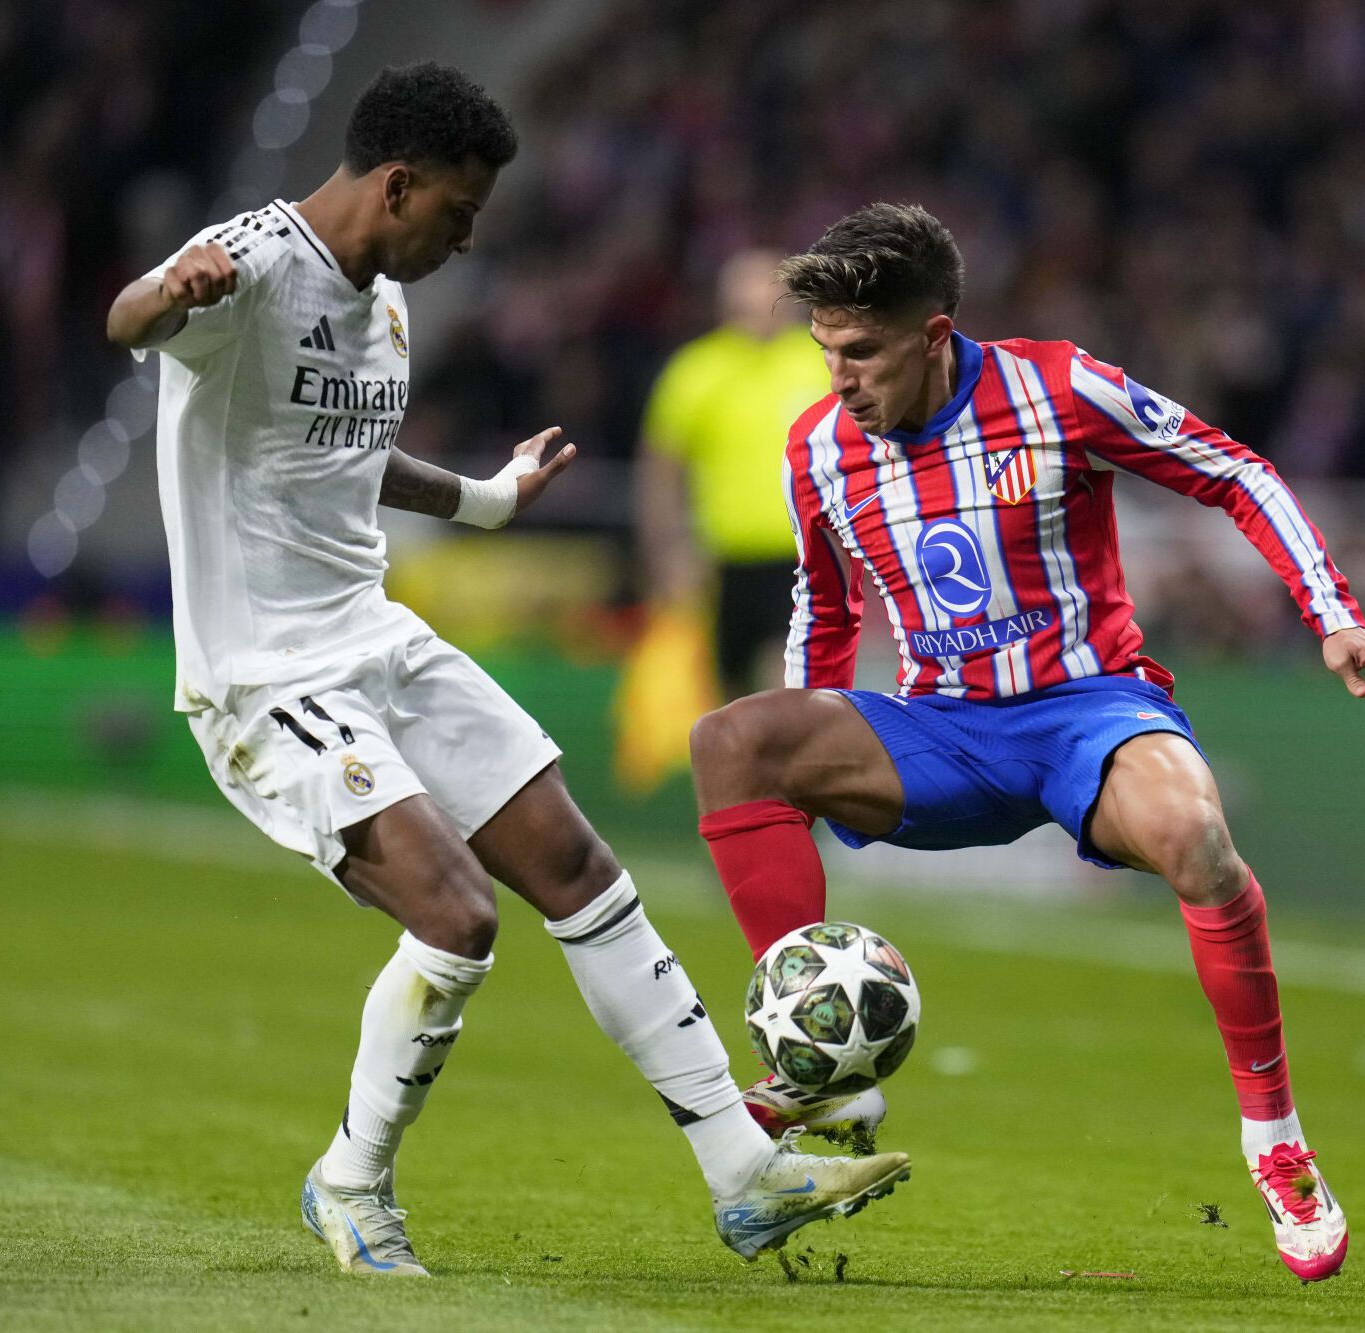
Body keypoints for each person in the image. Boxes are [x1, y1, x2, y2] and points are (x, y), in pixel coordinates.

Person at [104, 63, 908, 1277]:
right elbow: (130, 320)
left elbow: (349, 453)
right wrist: (170, 288)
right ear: (397, 182)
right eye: (460, 213)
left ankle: (745, 1175)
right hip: (266, 675)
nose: (466, 237)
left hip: (373, 638)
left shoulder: (382, 302)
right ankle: (349, 1181)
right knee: (458, 914)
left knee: (581, 870)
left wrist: (484, 500)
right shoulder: (252, 261)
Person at [690, 203, 1365, 1283]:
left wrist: (1332, 614)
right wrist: (815, 728)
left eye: (861, 354)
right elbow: (827, 608)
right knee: (732, 742)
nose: (838, 379)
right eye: (825, 354)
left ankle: (1274, 1142)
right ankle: (818, 1055)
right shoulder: (818, 449)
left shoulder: (1055, 387)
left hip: (1087, 713)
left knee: (1194, 834)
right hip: (939, 731)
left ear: (934, 335)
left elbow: (1231, 469)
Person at [635, 249, 830, 699]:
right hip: (722, 561)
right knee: (730, 690)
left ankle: (787, 766)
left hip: (803, 556)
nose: (756, 309)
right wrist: (666, 550)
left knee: (784, 683)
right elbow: (661, 469)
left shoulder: (822, 363)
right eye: (744, 297)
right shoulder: (695, 371)